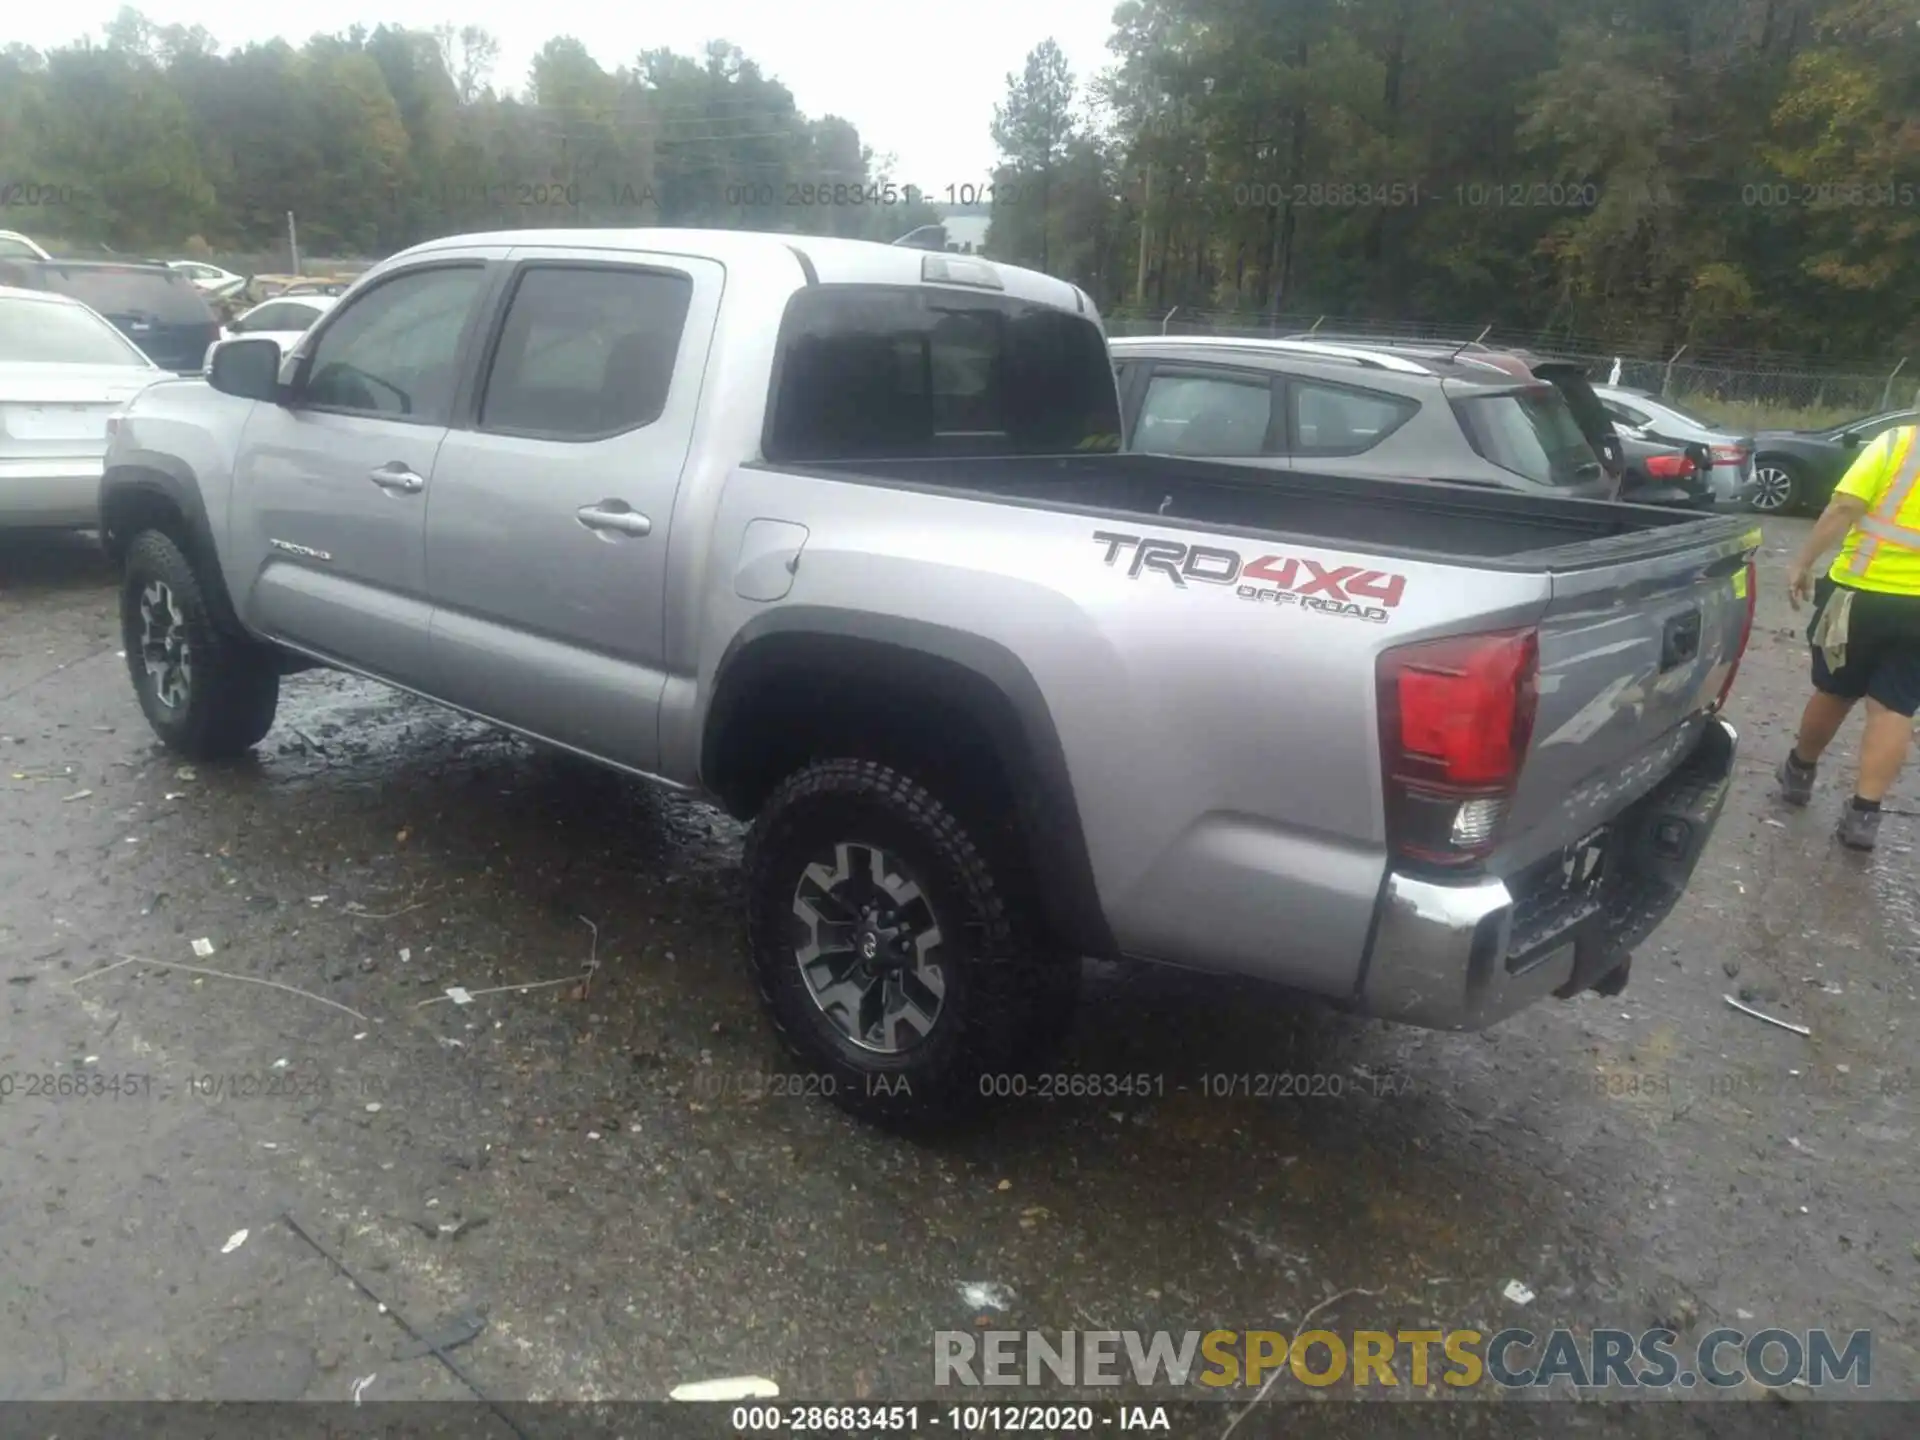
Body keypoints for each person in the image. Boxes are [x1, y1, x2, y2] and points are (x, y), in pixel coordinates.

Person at [1777, 417, 1920, 849]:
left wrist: (1802, 562)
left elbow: (1844, 507)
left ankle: (1799, 773)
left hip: (1861, 594)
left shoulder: (1898, 442)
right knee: (1895, 706)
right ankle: (1864, 815)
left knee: (1836, 689)